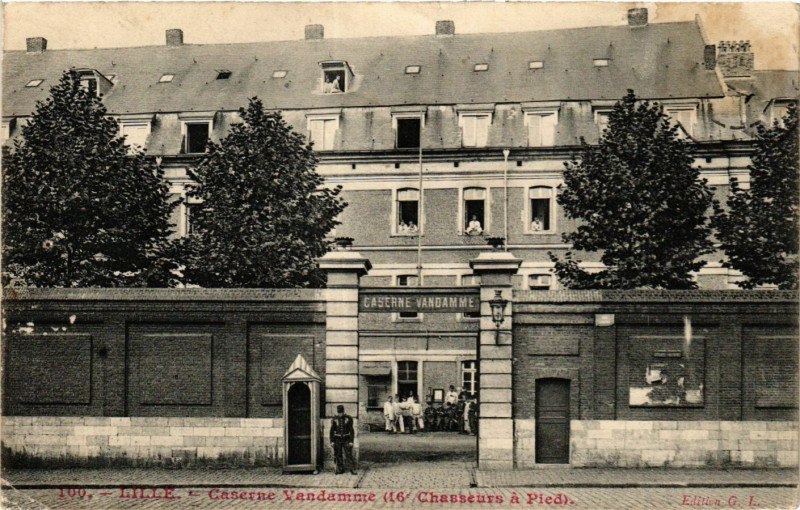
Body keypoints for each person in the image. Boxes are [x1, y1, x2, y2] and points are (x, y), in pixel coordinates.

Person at [330, 405, 356, 474]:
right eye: (339, 413)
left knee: (349, 454)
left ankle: (352, 469)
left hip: (346, 439)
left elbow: (351, 430)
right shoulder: (334, 419)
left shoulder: (348, 418)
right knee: (338, 454)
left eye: (341, 413)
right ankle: (341, 469)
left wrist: (351, 441)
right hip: (337, 439)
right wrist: (332, 441)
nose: (340, 414)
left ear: (343, 412)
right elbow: (332, 431)